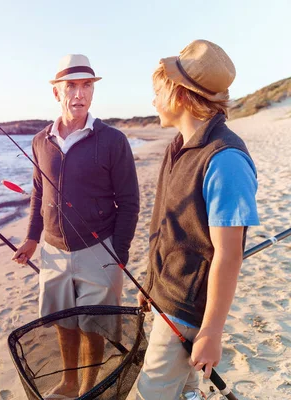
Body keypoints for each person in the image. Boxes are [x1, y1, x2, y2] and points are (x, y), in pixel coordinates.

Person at [134, 40, 260, 400]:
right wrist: (150, 282)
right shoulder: (178, 145)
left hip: (187, 312)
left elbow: (228, 255)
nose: (153, 100)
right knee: (185, 392)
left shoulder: (225, 160)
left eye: (157, 92)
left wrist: (211, 332)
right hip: (165, 296)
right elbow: (168, 228)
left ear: (179, 94)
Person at [12, 54, 140, 398]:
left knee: (93, 326)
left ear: (93, 92)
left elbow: (129, 202)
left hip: (100, 251)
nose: (79, 94)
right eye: (71, 86)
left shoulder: (113, 140)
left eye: (86, 86)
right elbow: (38, 194)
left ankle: (87, 388)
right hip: (53, 251)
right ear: (57, 92)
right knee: (63, 323)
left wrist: (119, 253)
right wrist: (31, 239)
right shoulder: (41, 141)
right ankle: (68, 383)